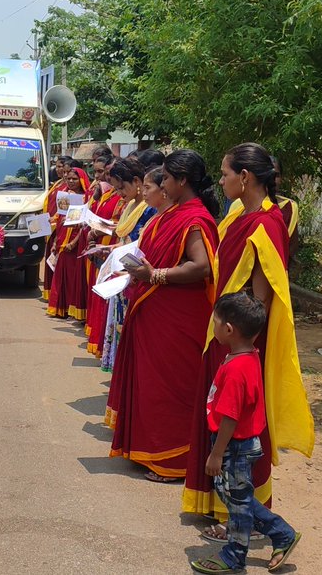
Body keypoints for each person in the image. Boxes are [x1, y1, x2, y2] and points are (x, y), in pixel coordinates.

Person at [184, 142, 313, 540]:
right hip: (224, 332)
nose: (220, 181)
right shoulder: (245, 216)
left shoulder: (266, 224)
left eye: (224, 174)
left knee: (239, 432)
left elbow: (260, 299)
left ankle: (243, 521)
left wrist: (239, 348)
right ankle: (224, 508)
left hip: (240, 342)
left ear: (245, 177)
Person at [110, 151, 220, 482]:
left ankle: (173, 460)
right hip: (153, 311)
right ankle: (150, 449)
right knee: (152, 384)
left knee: (172, 386)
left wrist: (154, 275)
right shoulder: (170, 214)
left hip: (177, 316)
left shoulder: (195, 219)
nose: (163, 184)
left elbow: (201, 266)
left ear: (182, 181)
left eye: (167, 179)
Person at [190, 293, 302, 575]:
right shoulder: (246, 356)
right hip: (238, 443)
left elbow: (230, 417)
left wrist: (217, 454)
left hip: (234, 445)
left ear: (229, 330)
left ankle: (233, 556)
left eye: (215, 322)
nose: (212, 327)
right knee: (237, 497)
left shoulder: (238, 369)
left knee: (238, 505)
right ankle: (282, 533)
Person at [98, 159, 156, 374]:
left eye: (122, 187)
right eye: (116, 188)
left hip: (134, 273)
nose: (119, 193)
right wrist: (110, 249)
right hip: (122, 271)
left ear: (137, 181)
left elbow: (141, 244)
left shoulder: (149, 209)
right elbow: (126, 240)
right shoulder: (130, 205)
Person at [224, 156, 300, 262]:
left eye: (276, 175)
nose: (272, 179)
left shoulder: (289, 207)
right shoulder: (238, 206)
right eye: (268, 174)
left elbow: (292, 245)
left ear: (282, 178)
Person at [84, 157, 123, 357]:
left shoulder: (127, 200)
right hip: (108, 249)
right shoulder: (109, 194)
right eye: (100, 173)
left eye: (107, 173)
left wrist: (98, 232)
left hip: (118, 254)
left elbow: (120, 227)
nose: (104, 177)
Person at [46, 167, 90, 320]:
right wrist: (55, 241)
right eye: (69, 178)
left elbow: (84, 223)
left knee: (72, 277)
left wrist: (73, 242)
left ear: (82, 180)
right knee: (60, 274)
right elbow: (60, 219)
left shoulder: (86, 198)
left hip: (76, 242)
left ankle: (73, 308)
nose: (71, 181)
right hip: (62, 239)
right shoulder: (64, 196)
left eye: (75, 179)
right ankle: (59, 308)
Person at [41, 156, 72, 301]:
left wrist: (53, 222)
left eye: (64, 169)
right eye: (58, 167)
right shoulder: (58, 184)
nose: (61, 171)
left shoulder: (68, 190)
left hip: (60, 229)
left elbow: (63, 213)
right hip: (51, 227)